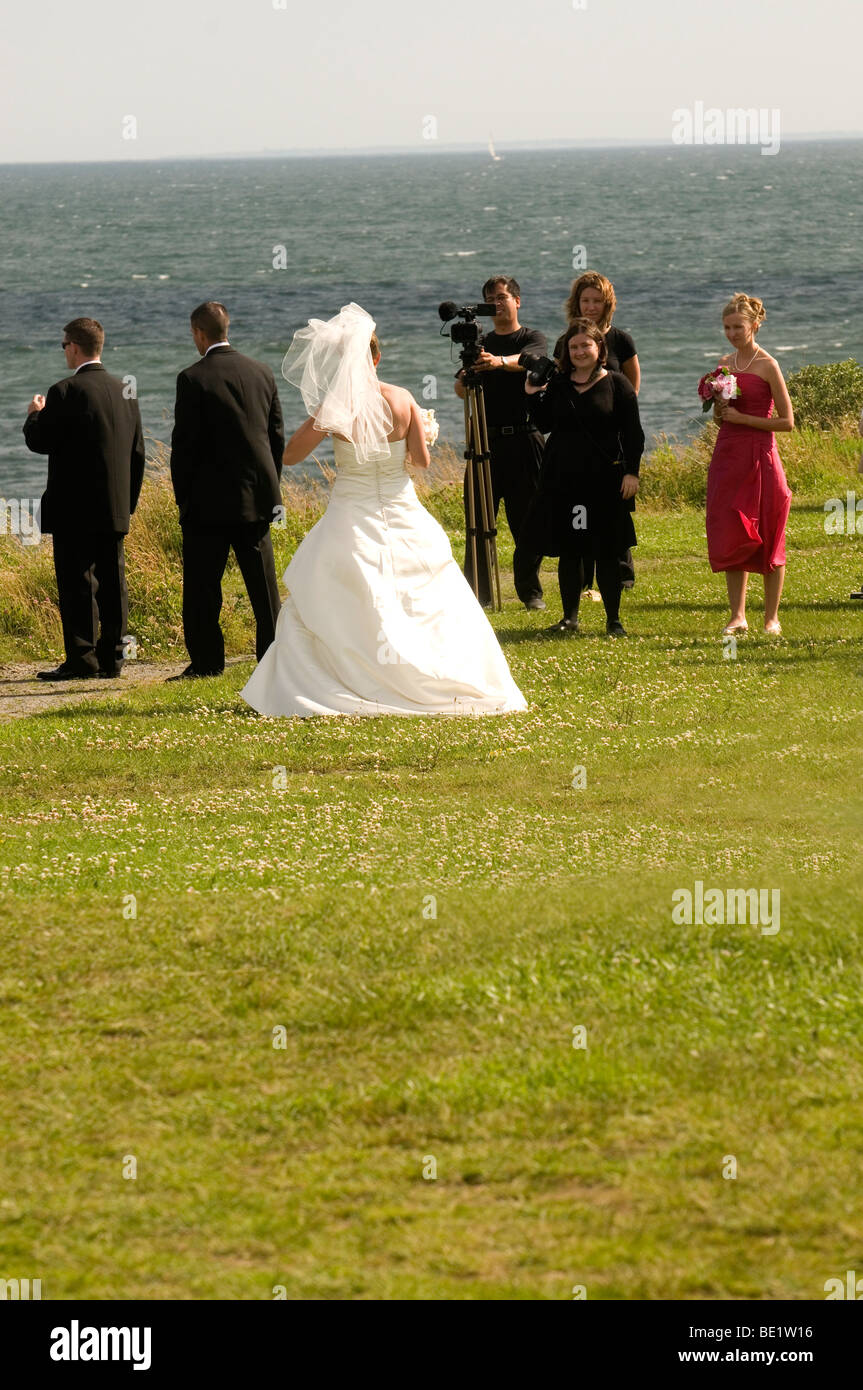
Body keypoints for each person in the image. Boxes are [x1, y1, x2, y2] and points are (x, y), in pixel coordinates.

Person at [240, 303, 527, 717]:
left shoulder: (332, 410)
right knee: (419, 589)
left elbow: (289, 457)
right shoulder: (402, 398)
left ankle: (344, 677)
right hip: (400, 504)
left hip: (350, 511)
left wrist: (322, 420)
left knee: (348, 588)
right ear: (377, 357)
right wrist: (421, 431)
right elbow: (422, 463)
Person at [22, 317, 145, 681]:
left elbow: (41, 441)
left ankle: (82, 658)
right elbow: (137, 452)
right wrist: (129, 502)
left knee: (77, 584)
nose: (64, 351)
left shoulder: (64, 391)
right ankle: (113, 659)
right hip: (114, 504)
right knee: (113, 583)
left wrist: (34, 416)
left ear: (74, 347)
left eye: (63, 346)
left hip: (74, 508)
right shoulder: (126, 390)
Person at [169, 301, 285, 679]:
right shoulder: (262, 372)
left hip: (207, 502)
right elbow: (275, 437)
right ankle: (272, 657)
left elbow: (184, 446)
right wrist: (271, 486)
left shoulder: (192, 378)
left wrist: (183, 498)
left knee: (203, 588)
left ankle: (206, 663)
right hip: (256, 497)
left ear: (199, 333)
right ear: (226, 328)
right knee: (263, 588)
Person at [515, 320, 644, 637]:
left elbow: (633, 434)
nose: (579, 351)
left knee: (607, 550)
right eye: (573, 347)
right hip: (564, 481)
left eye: (586, 345)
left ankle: (613, 620)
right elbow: (543, 424)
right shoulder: (557, 384)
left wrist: (632, 472)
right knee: (571, 550)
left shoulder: (617, 384)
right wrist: (532, 394)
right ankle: (569, 618)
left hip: (605, 481)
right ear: (566, 352)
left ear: (600, 348)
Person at [454, 275, 546, 610]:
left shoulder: (531, 337)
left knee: (527, 523)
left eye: (503, 297)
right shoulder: (479, 342)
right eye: (491, 298)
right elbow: (461, 390)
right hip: (485, 442)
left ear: (517, 301)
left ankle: (530, 592)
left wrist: (498, 363)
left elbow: (532, 361)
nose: (498, 303)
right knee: (478, 520)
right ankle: (479, 593)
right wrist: (468, 377)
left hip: (525, 439)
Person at [706, 293, 793, 635]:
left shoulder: (768, 364)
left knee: (769, 531)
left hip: (761, 455)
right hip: (728, 456)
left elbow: (787, 421)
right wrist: (719, 409)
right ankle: (737, 615)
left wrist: (743, 419)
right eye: (727, 327)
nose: (732, 333)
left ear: (755, 325)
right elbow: (722, 420)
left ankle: (771, 617)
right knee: (732, 531)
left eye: (738, 326)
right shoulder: (725, 363)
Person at [554, 270, 641, 596]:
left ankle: (622, 573)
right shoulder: (568, 341)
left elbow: (632, 382)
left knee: (615, 507)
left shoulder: (621, 339)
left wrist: (619, 416)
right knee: (580, 511)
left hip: (612, 439)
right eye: (585, 300)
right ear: (576, 303)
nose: (590, 306)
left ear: (607, 304)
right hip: (577, 444)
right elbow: (560, 386)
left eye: (597, 301)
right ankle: (585, 581)